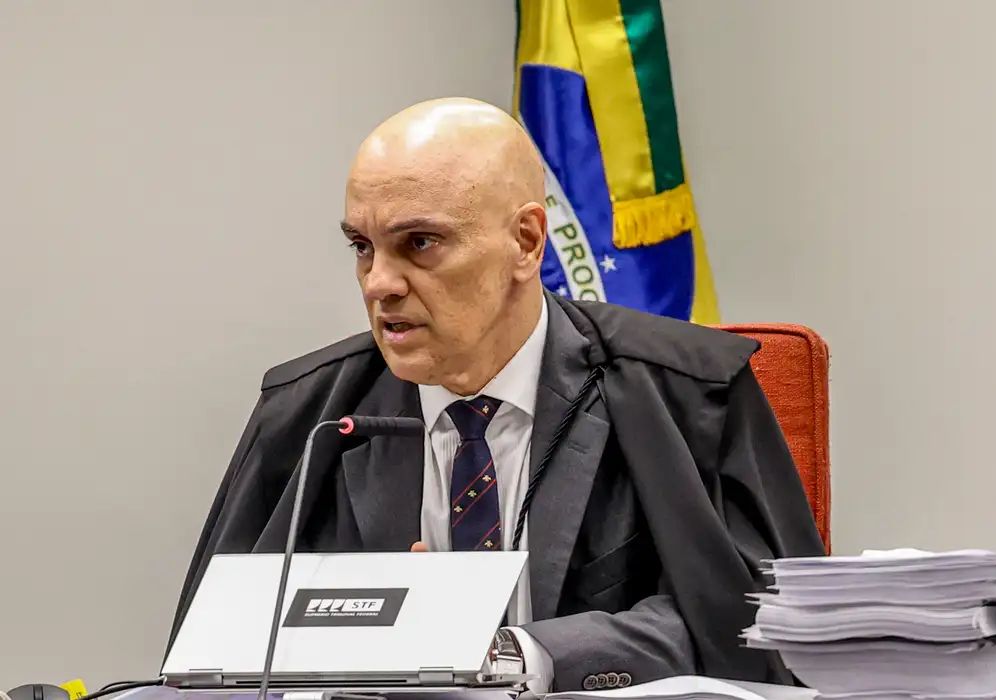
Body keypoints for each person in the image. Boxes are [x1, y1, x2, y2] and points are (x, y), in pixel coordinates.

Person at [168, 98, 824, 692]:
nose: (378, 283)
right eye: (363, 247)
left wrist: (521, 654)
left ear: (526, 242)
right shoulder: (309, 415)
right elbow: (204, 658)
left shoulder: (685, 393)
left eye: (419, 243)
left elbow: (766, 629)